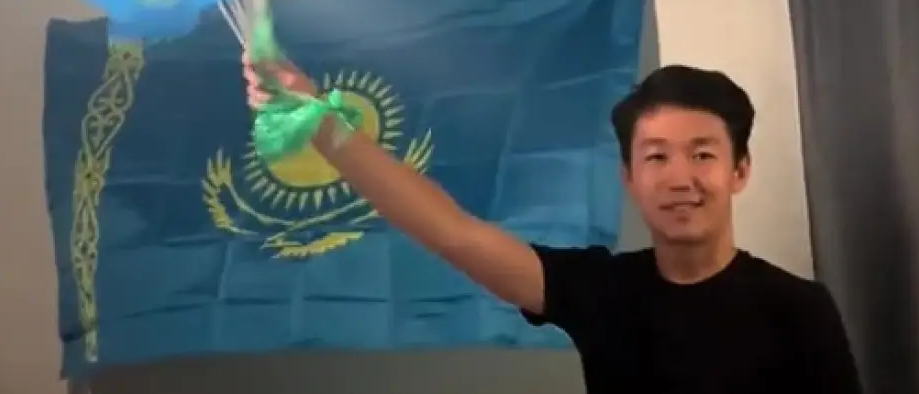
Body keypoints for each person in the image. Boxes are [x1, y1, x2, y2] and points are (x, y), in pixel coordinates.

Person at [243, 56, 862, 394]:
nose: (680, 178)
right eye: (656, 157)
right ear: (628, 176)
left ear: (739, 170)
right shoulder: (603, 289)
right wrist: (321, 123)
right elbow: (453, 232)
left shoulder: (797, 308)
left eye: (702, 154)